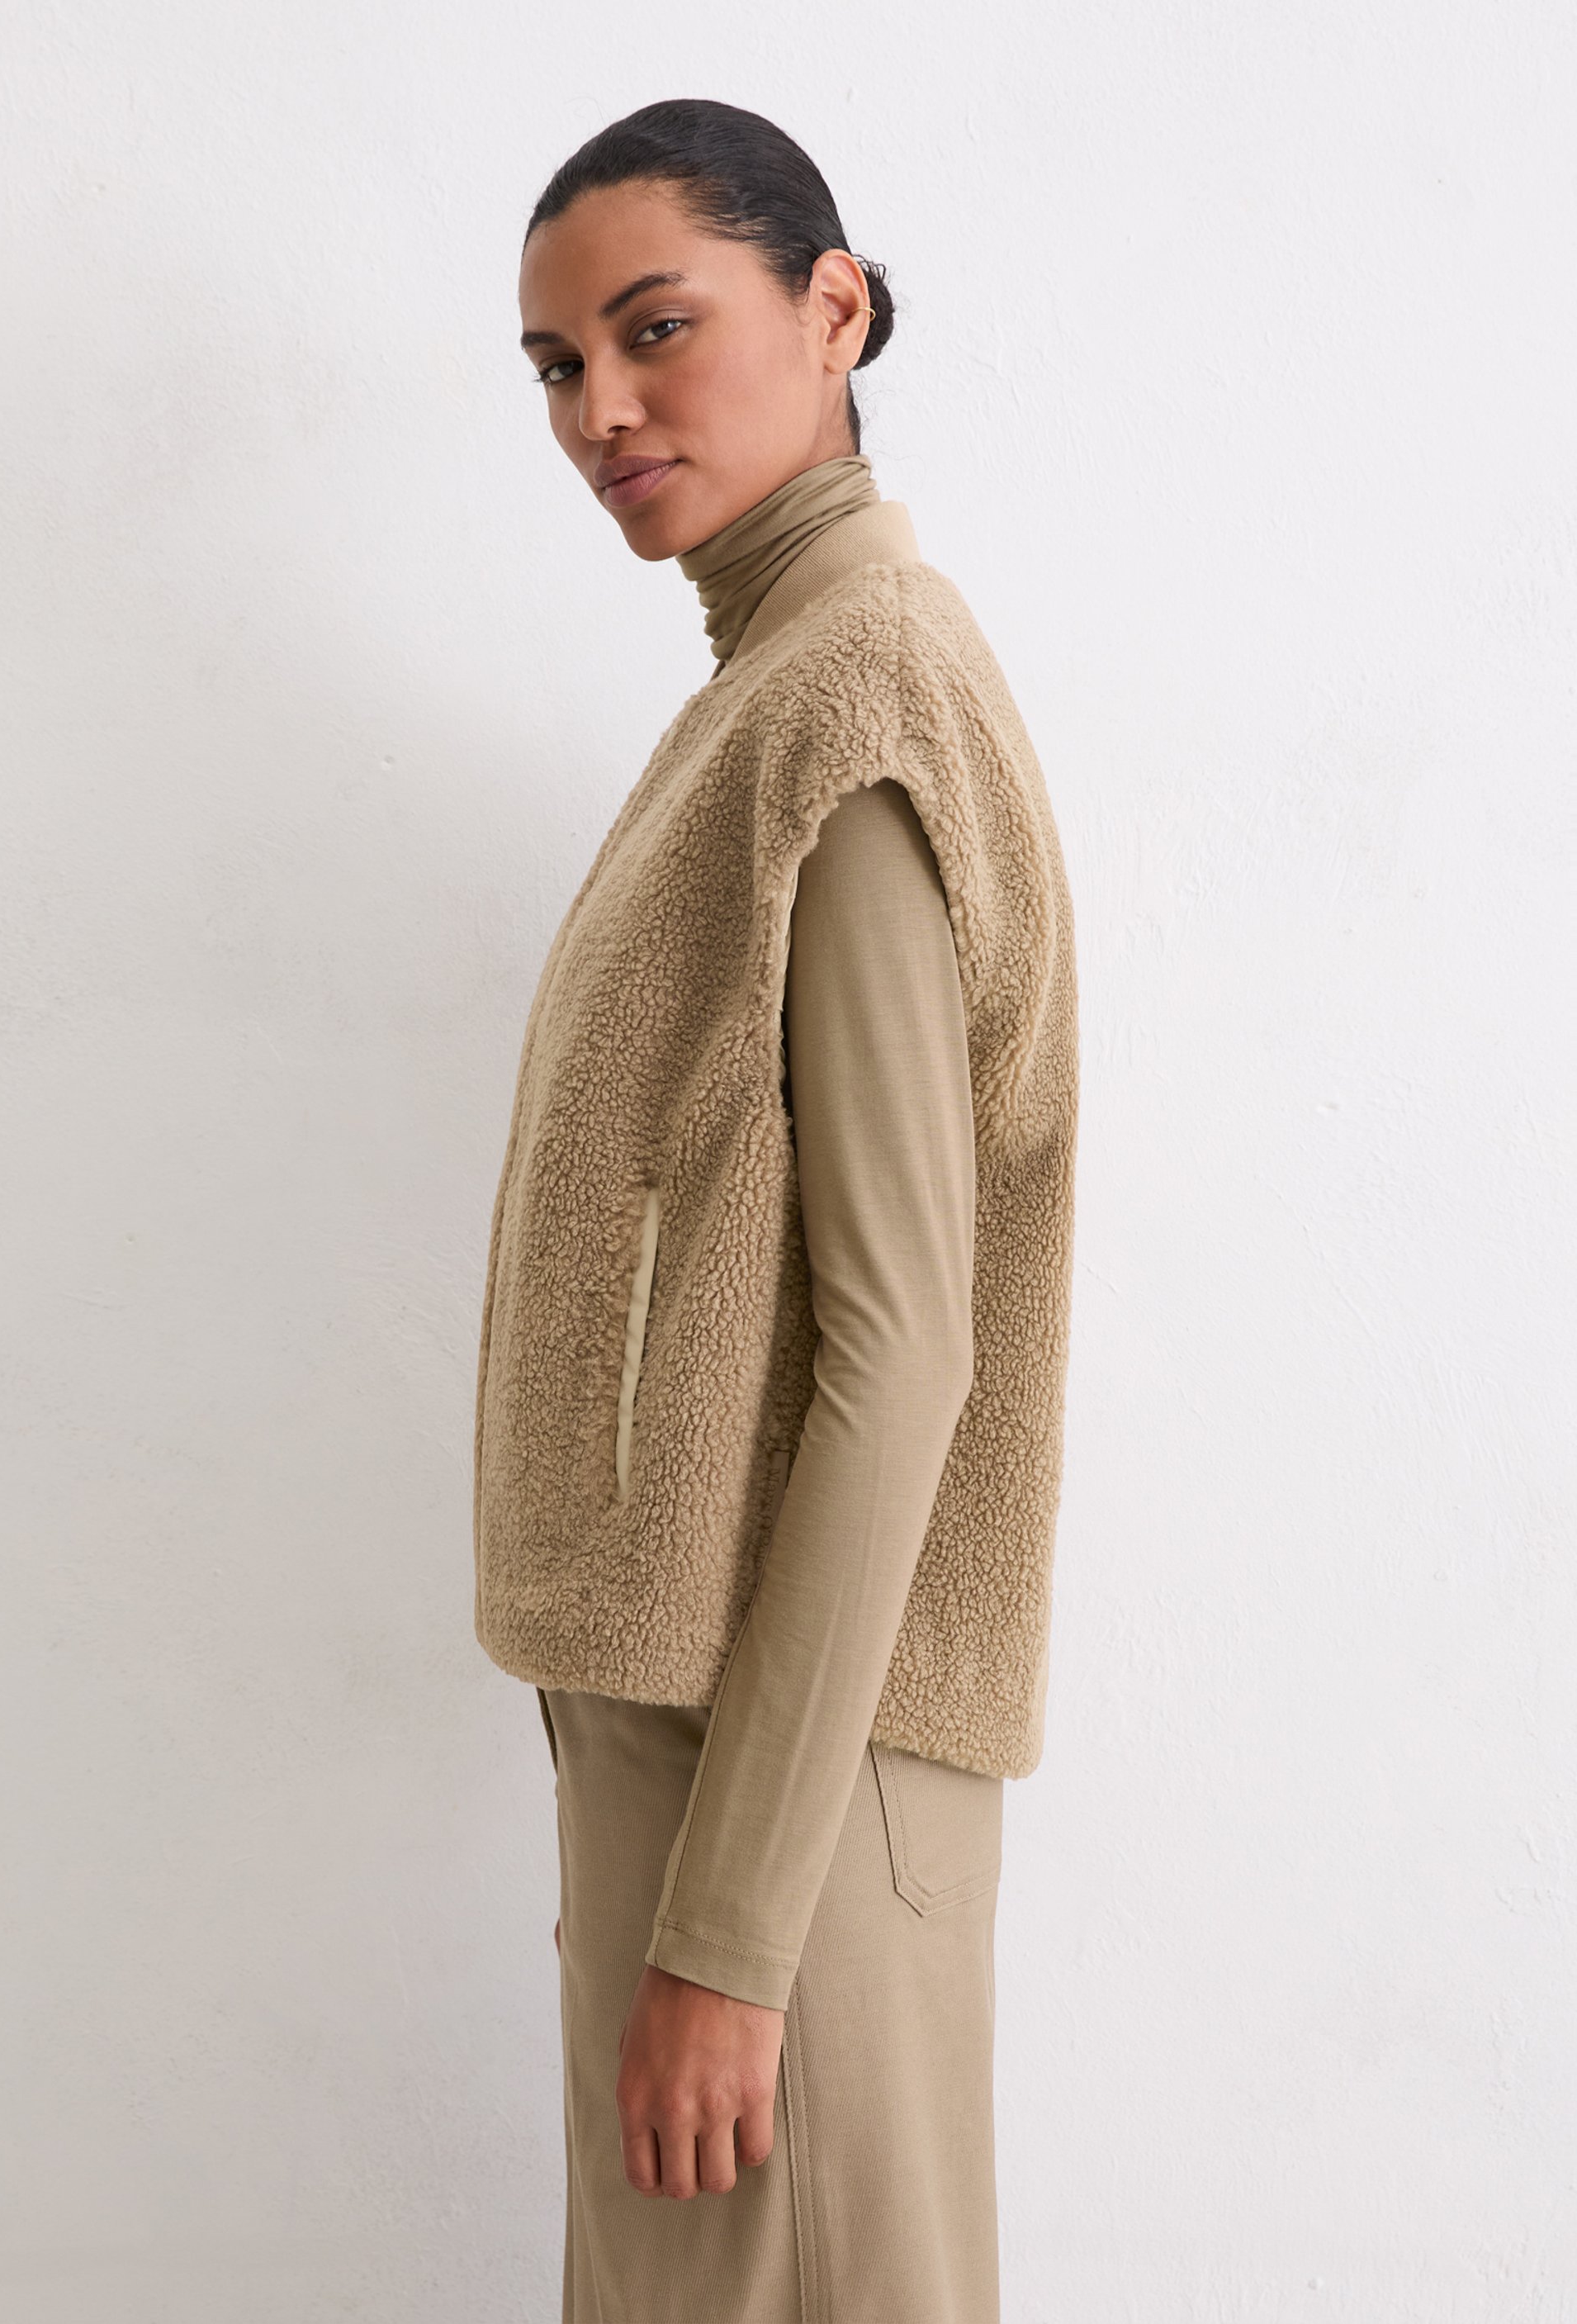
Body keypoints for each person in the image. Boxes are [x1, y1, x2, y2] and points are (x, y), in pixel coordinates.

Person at [474, 97, 1079, 2324]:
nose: (602, 410)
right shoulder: (764, 695)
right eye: (558, 365)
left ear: (833, 309)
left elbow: (905, 1351)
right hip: (714, 1773)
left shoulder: (854, 699)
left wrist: (729, 1931)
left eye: (658, 330)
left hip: (786, 1806)